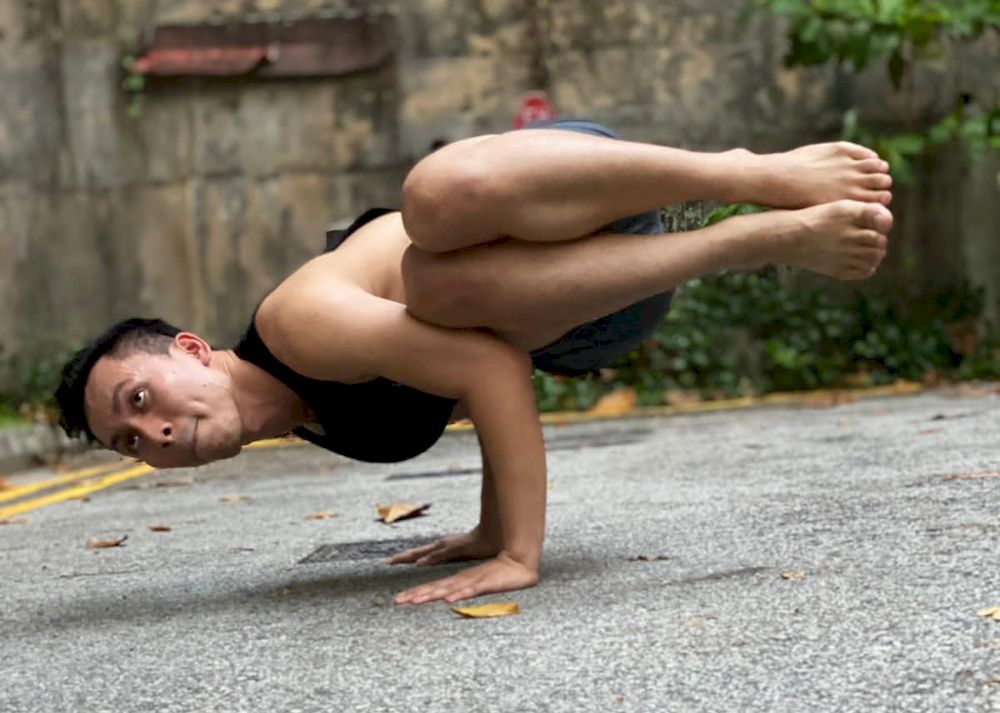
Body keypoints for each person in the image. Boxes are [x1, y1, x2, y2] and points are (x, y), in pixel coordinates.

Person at [54, 120, 893, 605]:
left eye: (139, 396)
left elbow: (492, 373)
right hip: (592, 311)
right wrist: (490, 530)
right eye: (131, 442)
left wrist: (519, 553)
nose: (155, 433)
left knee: (434, 217)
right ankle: (742, 233)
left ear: (193, 350)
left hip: (580, 204)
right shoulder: (314, 420)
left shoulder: (298, 324)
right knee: (442, 293)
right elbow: (488, 369)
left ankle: (745, 183)